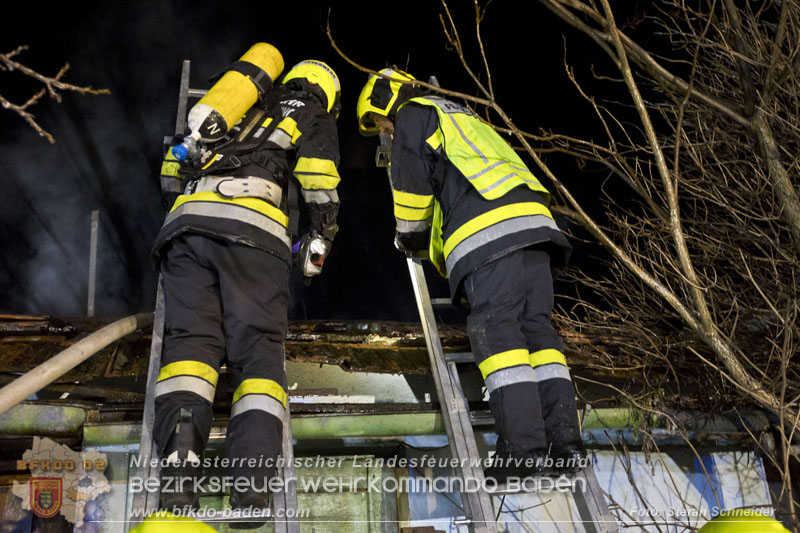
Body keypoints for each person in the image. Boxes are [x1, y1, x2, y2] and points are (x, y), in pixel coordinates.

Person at [356, 68, 582, 481]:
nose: (384, 132)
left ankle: (523, 452)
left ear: (385, 102)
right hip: (535, 225)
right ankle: (565, 444)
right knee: (539, 334)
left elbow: (411, 192)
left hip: (489, 234)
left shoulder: (412, 115)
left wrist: (409, 238)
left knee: (499, 336)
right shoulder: (461, 114)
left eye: (379, 123)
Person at [151, 57, 342, 517]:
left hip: (187, 229)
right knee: (257, 354)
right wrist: (319, 237)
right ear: (326, 93)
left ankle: (177, 484)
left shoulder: (238, 104)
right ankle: (251, 487)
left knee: (189, 355)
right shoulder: (310, 113)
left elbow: (169, 175)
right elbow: (317, 178)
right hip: (255, 233)